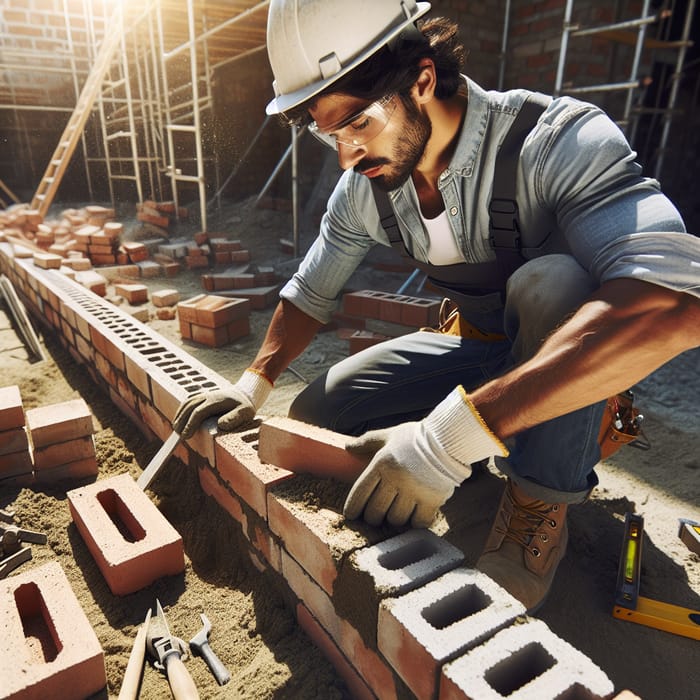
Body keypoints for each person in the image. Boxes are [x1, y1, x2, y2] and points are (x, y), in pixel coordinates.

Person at [174, 0, 700, 612]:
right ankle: (479, 442)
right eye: (328, 132)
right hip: (482, 354)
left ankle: (535, 508)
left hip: (572, 374)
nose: (345, 155)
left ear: (422, 80)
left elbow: (673, 303)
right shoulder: (365, 188)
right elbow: (311, 291)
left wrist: (443, 443)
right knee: (321, 411)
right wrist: (253, 383)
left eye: (359, 123)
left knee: (554, 283)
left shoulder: (555, 142)